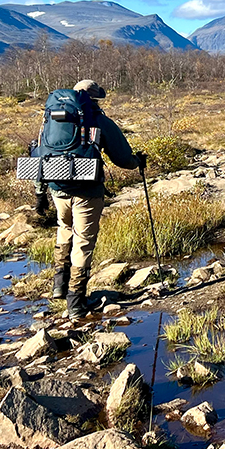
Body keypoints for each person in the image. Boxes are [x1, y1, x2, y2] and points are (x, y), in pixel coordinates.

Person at [45, 79, 144, 318]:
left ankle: (59, 285)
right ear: (94, 99)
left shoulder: (53, 117)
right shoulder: (97, 119)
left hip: (57, 186)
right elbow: (122, 157)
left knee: (64, 228)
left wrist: (41, 191)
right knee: (84, 241)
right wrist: (138, 162)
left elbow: (40, 150)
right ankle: (76, 303)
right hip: (87, 189)